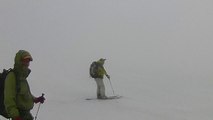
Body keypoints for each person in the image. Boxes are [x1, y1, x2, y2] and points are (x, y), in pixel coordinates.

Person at [4, 50, 45, 120]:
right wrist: (15, 116)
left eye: (28, 61)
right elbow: (9, 99)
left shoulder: (22, 77)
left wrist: (36, 99)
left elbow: (26, 93)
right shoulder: (12, 76)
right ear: (19, 61)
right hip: (19, 115)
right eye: (25, 60)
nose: (27, 63)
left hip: (26, 115)